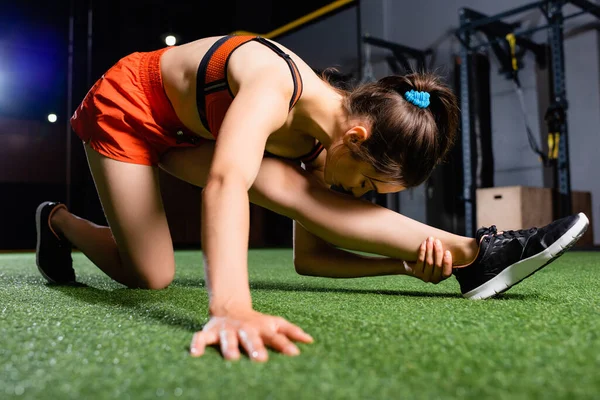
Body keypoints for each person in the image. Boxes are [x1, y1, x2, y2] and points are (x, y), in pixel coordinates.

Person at [35, 35, 589, 362]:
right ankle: (58, 222)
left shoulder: (322, 146)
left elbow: (311, 259)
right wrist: (231, 307)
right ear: (355, 139)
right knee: (148, 275)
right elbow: (227, 184)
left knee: (300, 192)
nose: (362, 197)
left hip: (192, 133)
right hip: (132, 108)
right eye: (370, 186)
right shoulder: (274, 86)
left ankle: (475, 256)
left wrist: (402, 265)